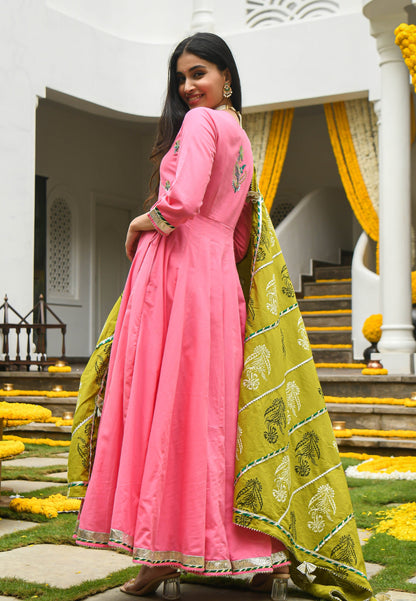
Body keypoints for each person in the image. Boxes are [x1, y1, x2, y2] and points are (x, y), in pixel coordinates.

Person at [69, 32, 376, 601]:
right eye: (180, 79)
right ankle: (249, 553)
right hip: (215, 283)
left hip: (179, 273)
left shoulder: (202, 124)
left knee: (166, 406)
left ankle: (162, 553)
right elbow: (239, 236)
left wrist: (141, 223)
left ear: (226, 76)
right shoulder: (242, 136)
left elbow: (181, 203)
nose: (188, 88)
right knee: (212, 415)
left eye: (199, 73)